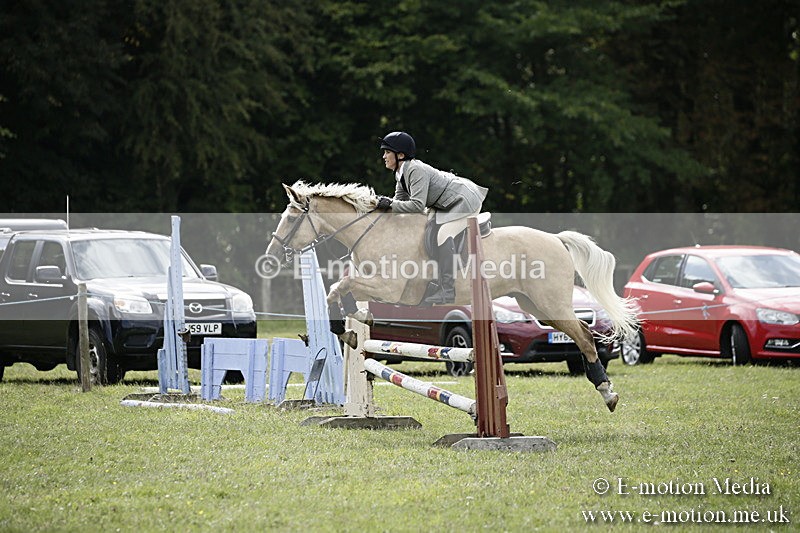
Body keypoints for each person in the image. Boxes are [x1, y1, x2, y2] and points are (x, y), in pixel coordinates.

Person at [376, 131, 488, 304]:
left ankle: (447, 290)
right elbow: (398, 205)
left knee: (443, 233)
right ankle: (434, 280)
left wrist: (390, 204)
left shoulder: (414, 169)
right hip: (445, 203)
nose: (383, 156)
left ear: (400, 155)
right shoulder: (401, 175)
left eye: (387, 152)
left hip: (464, 199)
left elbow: (416, 205)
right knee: (426, 228)